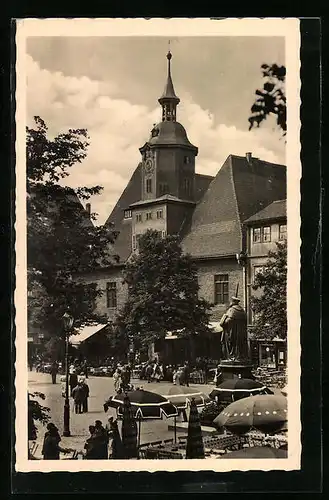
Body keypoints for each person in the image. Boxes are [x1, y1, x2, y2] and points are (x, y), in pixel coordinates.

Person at [219, 296, 248, 361]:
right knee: (240, 346)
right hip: (241, 335)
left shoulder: (231, 310)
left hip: (232, 334)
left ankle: (232, 357)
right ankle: (240, 357)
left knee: (231, 345)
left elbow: (226, 322)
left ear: (232, 302)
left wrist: (224, 318)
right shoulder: (243, 311)